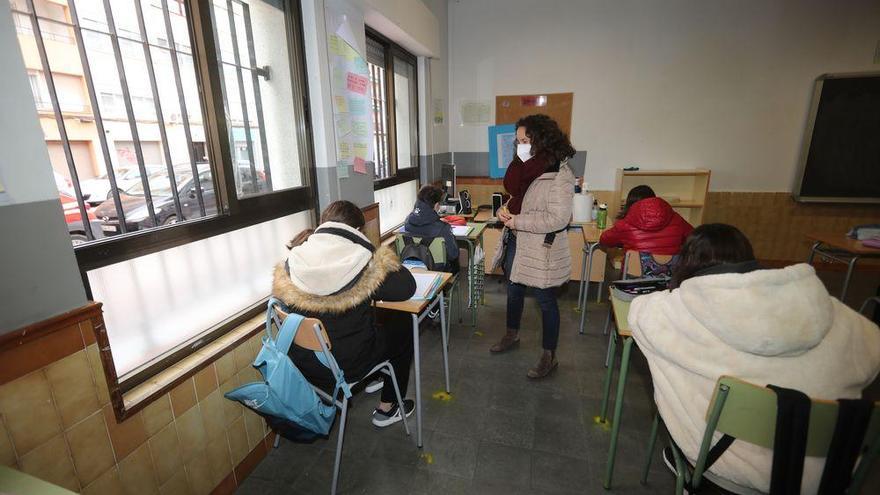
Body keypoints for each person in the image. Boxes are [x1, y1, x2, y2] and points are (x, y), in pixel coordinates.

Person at [629, 223, 880, 493]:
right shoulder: (832, 311)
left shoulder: (670, 311)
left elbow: (638, 313)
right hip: (829, 471)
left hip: (728, 469)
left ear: (685, 262)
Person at [273, 200, 418, 427]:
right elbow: (407, 287)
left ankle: (380, 376)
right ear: (358, 231)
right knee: (402, 324)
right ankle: (388, 408)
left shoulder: (295, 258)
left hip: (304, 362)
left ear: (323, 224)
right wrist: (377, 254)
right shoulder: (362, 261)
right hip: (348, 364)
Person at [488, 114, 576, 379]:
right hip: (517, 237)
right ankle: (512, 334)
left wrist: (518, 221)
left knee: (545, 299)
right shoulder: (524, 167)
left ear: (541, 140)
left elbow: (558, 218)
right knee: (513, 289)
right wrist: (506, 210)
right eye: (518, 141)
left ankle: (549, 355)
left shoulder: (560, 173)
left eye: (525, 141)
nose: (520, 146)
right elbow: (517, 197)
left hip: (540, 246)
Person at [403, 184, 460, 273]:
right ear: (436, 205)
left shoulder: (407, 222)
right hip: (437, 270)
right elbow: (453, 254)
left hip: (410, 269)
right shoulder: (443, 228)